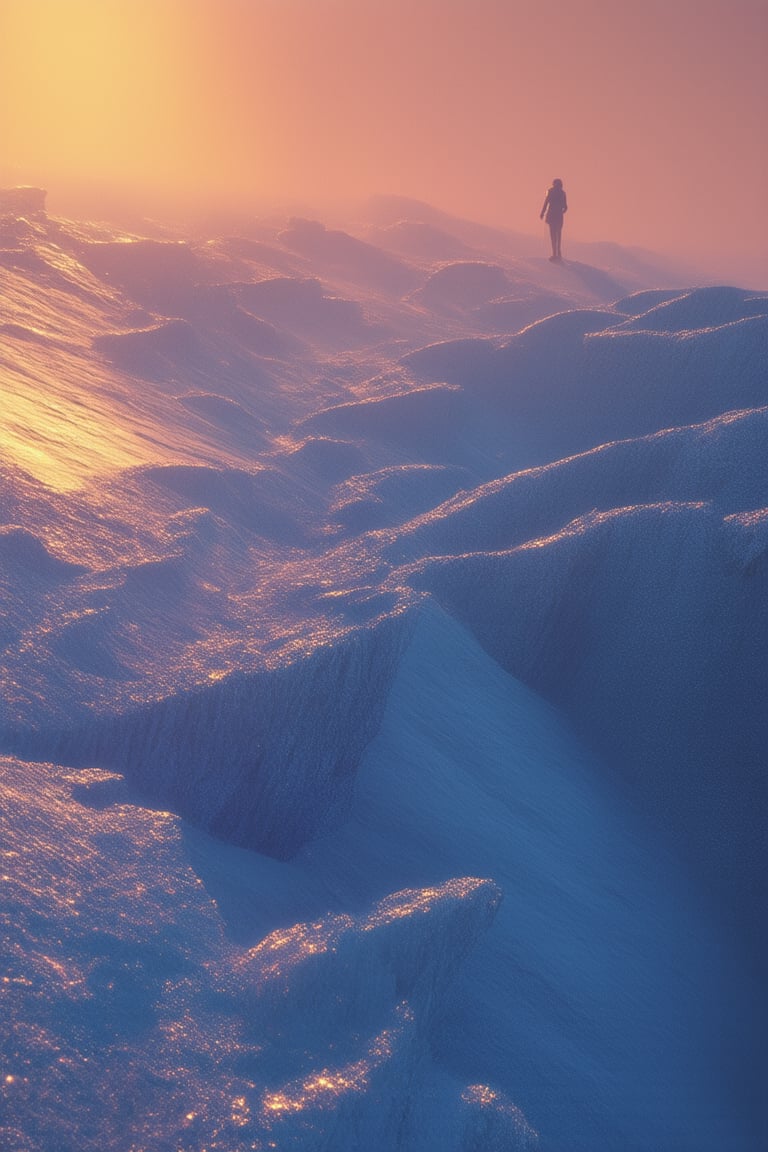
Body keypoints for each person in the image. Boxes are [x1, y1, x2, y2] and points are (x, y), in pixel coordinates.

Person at [540, 178, 567, 261]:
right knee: (558, 235)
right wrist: (561, 211)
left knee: (553, 236)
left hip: (552, 216)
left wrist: (542, 213)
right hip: (559, 216)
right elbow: (565, 207)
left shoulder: (550, 192)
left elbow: (546, 203)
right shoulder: (562, 193)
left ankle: (554, 254)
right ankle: (558, 253)